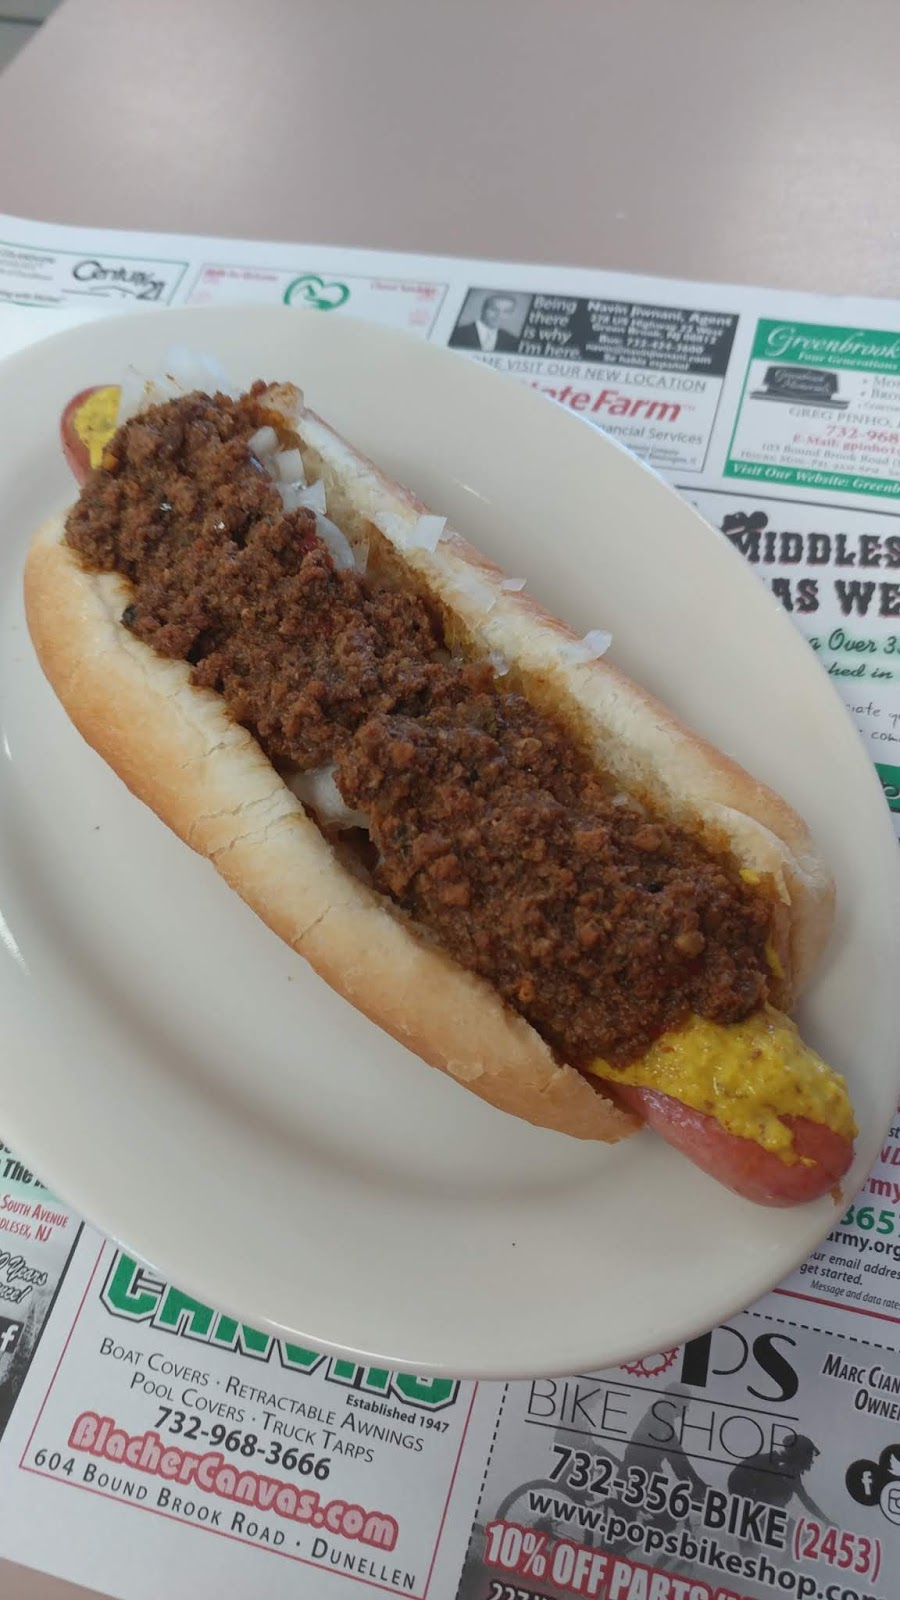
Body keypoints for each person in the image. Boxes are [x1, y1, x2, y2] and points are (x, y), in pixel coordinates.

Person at [728, 1433, 827, 1521]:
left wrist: (825, 1520)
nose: (811, 1461)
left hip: (758, 1511)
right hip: (754, 1511)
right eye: (809, 1456)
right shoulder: (779, 1467)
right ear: (801, 1456)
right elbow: (805, 1500)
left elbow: (806, 1500)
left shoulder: (787, 1469)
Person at [451, 293, 521, 352]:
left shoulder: (512, 341)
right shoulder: (457, 333)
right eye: (494, 309)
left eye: (506, 312)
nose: (499, 315)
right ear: (483, 309)